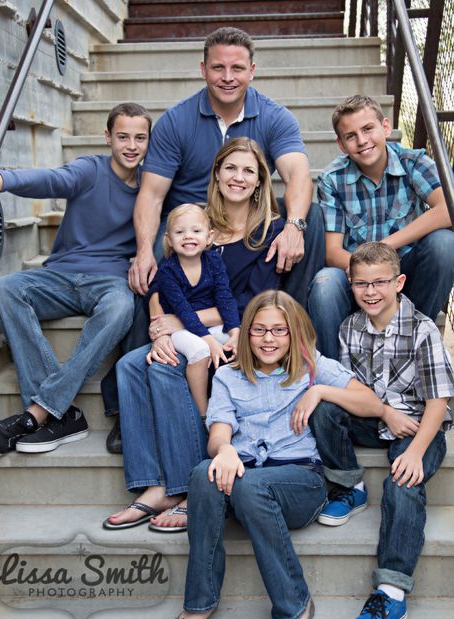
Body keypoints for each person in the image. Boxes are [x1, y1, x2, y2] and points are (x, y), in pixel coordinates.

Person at [101, 27, 325, 441]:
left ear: (252, 71)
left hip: (246, 225)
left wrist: (294, 226)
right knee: (143, 268)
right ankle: (124, 403)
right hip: (190, 226)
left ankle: (290, 341)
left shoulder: (274, 116)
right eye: (218, 67)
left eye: (237, 68)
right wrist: (145, 252)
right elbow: (151, 195)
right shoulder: (177, 120)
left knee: (313, 221)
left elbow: (297, 174)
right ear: (203, 69)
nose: (227, 76)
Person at [169, 290, 384, 619]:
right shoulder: (228, 377)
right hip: (243, 478)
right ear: (247, 333)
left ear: (294, 332)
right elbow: (218, 432)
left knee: (252, 485)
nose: (269, 339)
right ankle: (200, 601)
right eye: (259, 330)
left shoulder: (311, 366)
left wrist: (319, 392)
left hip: (299, 481)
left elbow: (371, 402)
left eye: (279, 330)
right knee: (202, 475)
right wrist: (223, 450)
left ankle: (295, 604)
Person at [103, 137, 285, 532]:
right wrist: (158, 324)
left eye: (248, 171)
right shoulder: (197, 225)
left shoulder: (270, 231)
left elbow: (252, 302)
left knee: (163, 370)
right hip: (183, 328)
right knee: (130, 366)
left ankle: (187, 486)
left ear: (260, 181)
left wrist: (180, 324)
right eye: (230, 168)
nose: (238, 177)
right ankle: (152, 484)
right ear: (217, 174)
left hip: (235, 336)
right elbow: (161, 283)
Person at [0, 103, 152, 457]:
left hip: (109, 280)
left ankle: (39, 412)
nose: (131, 146)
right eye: (122, 137)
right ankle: (62, 413)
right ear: (108, 137)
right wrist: (4, 178)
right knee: (4, 290)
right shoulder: (90, 169)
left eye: (140, 137)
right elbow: (53, 180)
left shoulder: (152, 188)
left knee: (122, 307)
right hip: (59, 275)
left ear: (149, 141)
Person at [310, 242, 454, 619]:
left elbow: (439, 403)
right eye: (360, 284)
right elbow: (351, 389)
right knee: (324, 405)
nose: (370, 292)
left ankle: (391, 590)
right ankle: (349, 485)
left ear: (400, 282)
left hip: (419, 424)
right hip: (374, 416)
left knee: (403, 483)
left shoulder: (422, 329)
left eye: (380, 283)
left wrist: (415, 451)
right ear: (351, 286)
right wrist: (327, 395)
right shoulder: (349, 328)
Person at [308, 94, 454, 359]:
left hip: (405, 272)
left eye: (368, 129)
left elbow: (449, 210)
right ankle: (335, 375)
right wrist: (369, 274)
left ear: (385, 127)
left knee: (445, 243)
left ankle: (411, 344)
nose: (362, 141)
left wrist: (383, 249)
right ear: (341, 145)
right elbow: (332, 251)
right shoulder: (332, 179)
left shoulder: (414, 163)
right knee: (325, 283)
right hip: (357, 277)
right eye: (350, 136)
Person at [149, 203, 240, 415]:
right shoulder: (168, 270)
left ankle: (237, 404)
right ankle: (203, 411)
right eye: (180, 232)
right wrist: (209, 340)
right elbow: (183, 311)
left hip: (206, 325)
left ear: (209, 237)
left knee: (242, 342)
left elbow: (225, 296)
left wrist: (235, 331)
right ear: (169, 240)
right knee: (200, 352)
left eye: (196, 231)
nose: (188, 236)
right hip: (179, 327)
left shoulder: (214, 260)